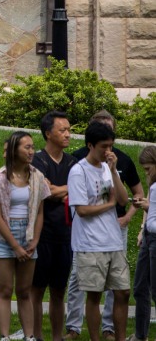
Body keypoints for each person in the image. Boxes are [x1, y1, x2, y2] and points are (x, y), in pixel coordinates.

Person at [65, 111, 143, 340]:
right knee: (94, 295)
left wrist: (112, 171)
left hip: (113, 240)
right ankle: (95, 338)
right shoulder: (78, 171)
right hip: (90, 243)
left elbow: (121, 199)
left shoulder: (107, 168)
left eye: (111, 146)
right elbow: (81, 210)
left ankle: (117, 337)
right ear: (90, 145)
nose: (108, 151)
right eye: (103, 147)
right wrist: (109, 204)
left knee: (123, 291)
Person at [0, 131, 49, 341]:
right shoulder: (1, 178)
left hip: (29, 235)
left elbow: (39, 212)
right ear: (14, 150)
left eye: (32, 147)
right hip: (4, 236)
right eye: (26, 147)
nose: (31, 151)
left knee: (24, 290)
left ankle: (29, 336)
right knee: (5, 289)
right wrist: (15, 246)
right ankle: (4, 336)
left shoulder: (37, 176)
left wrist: (34, 241)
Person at [30, 111, 76, 341]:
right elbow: (43, 192)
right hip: (42, 235)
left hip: (66, 235)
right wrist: (66, 189)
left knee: (59, 292)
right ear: (48, 133)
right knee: (36, 290)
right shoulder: (37, 160)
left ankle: (57, 337)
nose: (68, 134)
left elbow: (79, 193)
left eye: (69, 129)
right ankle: (37, 336)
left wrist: (58, 190)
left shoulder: (73, 162)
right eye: (62, 130)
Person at [130, 146, 156, 341]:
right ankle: (140, 335)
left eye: (148, 169)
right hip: (148, 235)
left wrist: (148, 206)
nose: (146, 173)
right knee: (140, 287)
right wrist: (141, 229)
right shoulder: (153, 184)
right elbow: (151, 210)